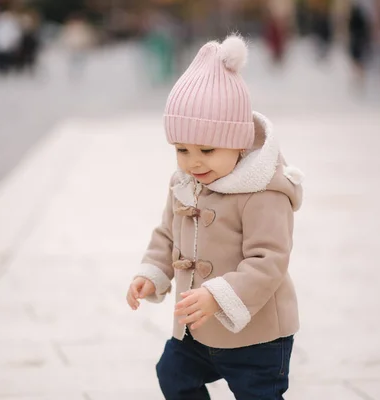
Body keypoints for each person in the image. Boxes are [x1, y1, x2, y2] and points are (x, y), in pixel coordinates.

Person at [126, 35, 304, 399]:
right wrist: (152, 273)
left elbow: (268, 260)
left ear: (239, 143)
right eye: (182, 149)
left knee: (258, 394)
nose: (193, 161)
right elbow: (167, 234)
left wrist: (217, 297)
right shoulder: (185, 183)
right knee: (172, 375)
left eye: (207, 149)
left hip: (257, 335)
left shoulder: (263, 192)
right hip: (197, 331)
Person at [348, 1, 372, 86]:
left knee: (358, 61)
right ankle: (357, 79)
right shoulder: (358, 17)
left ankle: (358, 79)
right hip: (358, 41)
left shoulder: (357, 17)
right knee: (358, 61)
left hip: (358, 41)